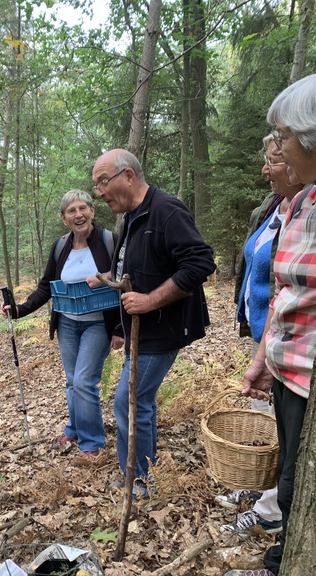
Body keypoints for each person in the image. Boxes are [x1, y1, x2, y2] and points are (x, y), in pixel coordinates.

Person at [224, 73, 316, 576]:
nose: (274, 150)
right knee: (290, 480)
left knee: (296, 487)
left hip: (307, 376)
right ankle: (282, 566)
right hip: (287, 366)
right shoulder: (300, 204)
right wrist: (263, 357)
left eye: (283, 137)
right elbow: (284, 288)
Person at [91, 149, 216, 497]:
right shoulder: (133, 215)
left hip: (163, 328)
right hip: (140, 329)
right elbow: (142, 266)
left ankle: (141, 481)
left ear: (128, 176)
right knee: (136, 400)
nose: (99, 192)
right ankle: (135, 476)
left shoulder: (166, 210)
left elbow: (200, 263)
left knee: (129, 400)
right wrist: (110, 280)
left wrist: (149, 301)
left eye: (104, 182)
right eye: (96, 185)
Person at [216, 134, 304, 539]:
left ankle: (271, 507)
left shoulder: (305, 211)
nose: (266, 169)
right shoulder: (271, 209)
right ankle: (264, 487)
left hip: (293, 336)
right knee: (272, 417)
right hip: (266, 326)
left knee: (289, 428)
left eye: (274, 160)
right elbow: (254, 266)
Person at [1, 189, 120, 458]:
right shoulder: (60, 246)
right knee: (71, 381)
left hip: (98, 323)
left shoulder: (109, 241)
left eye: (83, 208)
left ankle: (92, 444)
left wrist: (119, 328)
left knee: (84, 381)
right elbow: (47, 287)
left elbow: (127, 279)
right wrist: (18, 309)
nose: (78, 215)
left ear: (92, 211)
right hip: (67, 322)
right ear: (64, 218)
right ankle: (75, 429)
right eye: (71, 211)